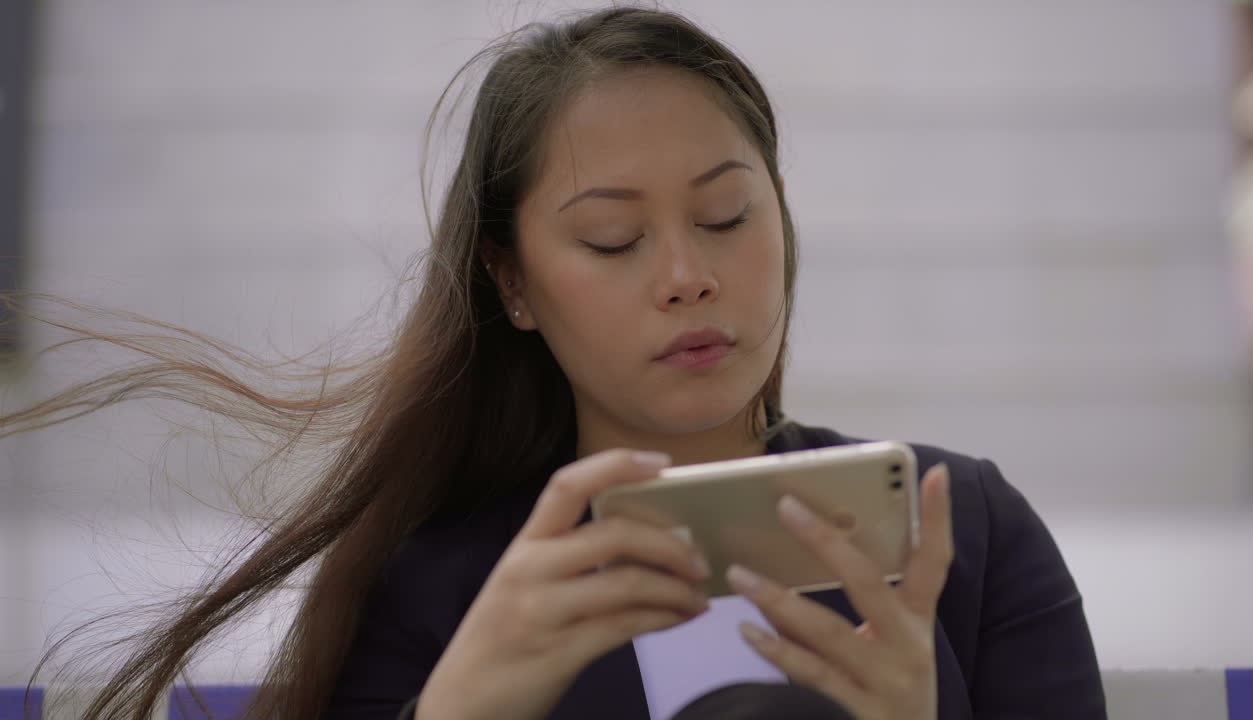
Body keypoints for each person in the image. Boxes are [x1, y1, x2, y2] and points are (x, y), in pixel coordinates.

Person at [5, 7, 1107, 720]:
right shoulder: (442, 595)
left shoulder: (960, 531)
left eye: (726, 216)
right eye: (612, 240)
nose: (685, 275)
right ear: (513, 283)